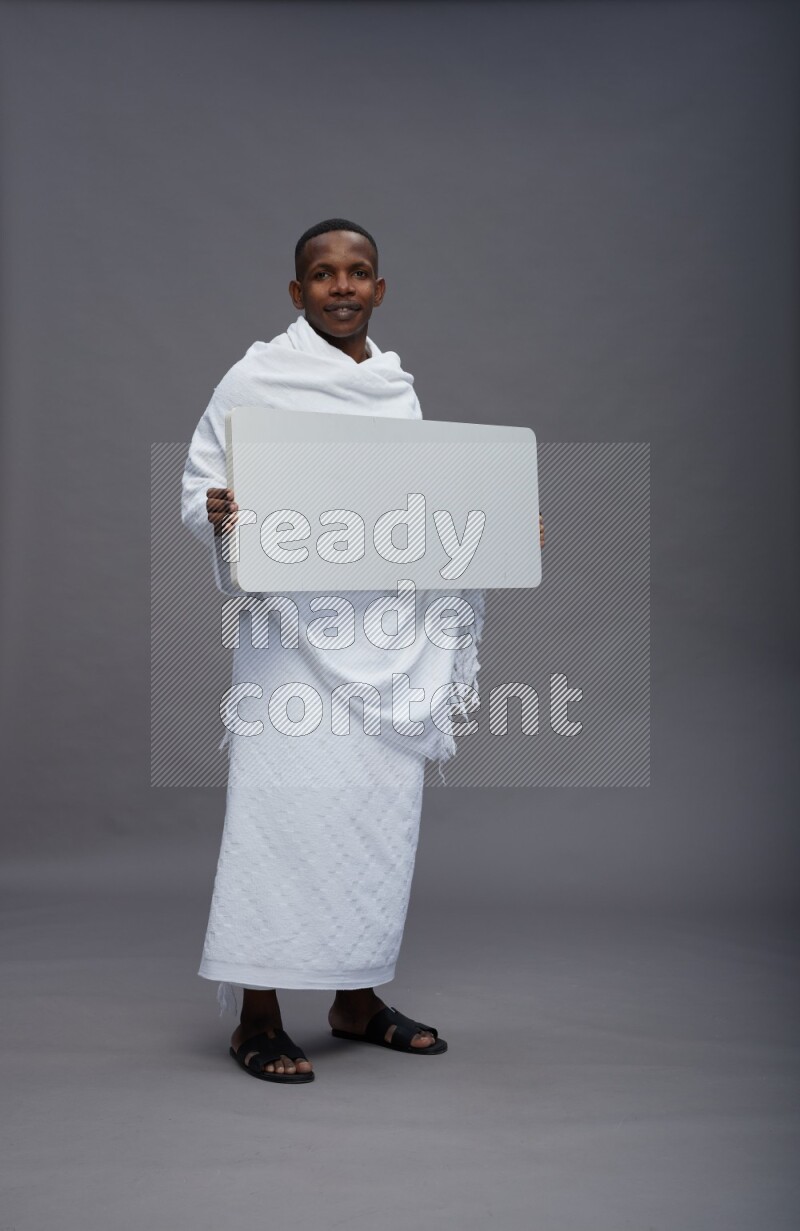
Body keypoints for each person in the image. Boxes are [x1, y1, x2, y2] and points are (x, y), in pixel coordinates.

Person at [181, 219, 544, 1084]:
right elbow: (200, 482)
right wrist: (220, 512)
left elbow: (412, 504)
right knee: (282, 817)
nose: (340, 286)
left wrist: (492, 533)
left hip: (385, 637)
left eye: (359, 272)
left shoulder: (393, 388)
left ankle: (354, 999)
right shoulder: (257, 375)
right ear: (296, 290)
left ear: (380, 289)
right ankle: (258, 1018)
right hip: (290, 640)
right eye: (321, 273)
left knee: (373, 819)